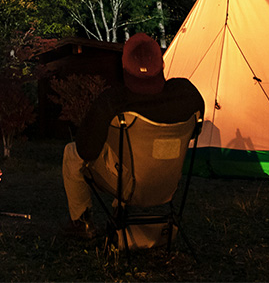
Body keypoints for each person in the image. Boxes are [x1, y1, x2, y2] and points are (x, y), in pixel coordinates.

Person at [60, 32, 204, 238]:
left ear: (124, 66)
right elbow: (194, 132)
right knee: (134, 152)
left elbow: (87, 150)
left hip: (128, 186)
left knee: (73, 152)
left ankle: (81, 222)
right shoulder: (188, 95)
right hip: (167, 184)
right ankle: (121, 210)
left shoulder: (113, 102)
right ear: (162, 64)